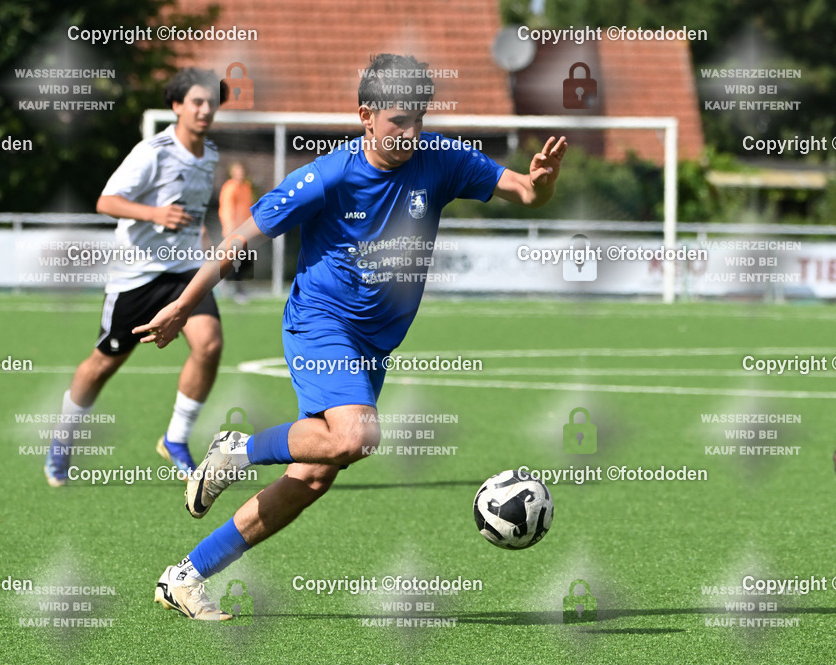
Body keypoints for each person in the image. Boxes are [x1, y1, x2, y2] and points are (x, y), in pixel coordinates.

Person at [138, 53, 568, 619]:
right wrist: (182, 305)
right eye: (397, 121)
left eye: (418, 118)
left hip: (372, 347)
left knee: (313, 477)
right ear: (365, 115)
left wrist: (541, 180)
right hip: (320, 324)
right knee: (356, 437)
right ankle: (239, 450)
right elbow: (240, 238)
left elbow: (525, 192)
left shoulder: (439, 159)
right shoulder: (329, 176)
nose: (410, 132)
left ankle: (184, 576)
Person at [44, 68, 226, 486]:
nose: (205, 110)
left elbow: (193, 211)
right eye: (196, 101)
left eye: (211, 102)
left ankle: (175, 439)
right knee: (104, 364)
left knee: (210, 344)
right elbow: (106, 201)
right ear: (177, 106)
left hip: (183, 273)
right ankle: (63, 440)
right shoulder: (153, 151)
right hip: (137, 278)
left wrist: (203, 243)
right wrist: (154, 213)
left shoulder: (210, 154)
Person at [217, 162, 256, 301]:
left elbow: (250, 206)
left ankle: (226, 281)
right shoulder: (230, 187)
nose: (240, 173)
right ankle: (237, 290)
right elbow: (227, 209)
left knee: (246, 260)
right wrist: (230, 228)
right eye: (237, 171)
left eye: (241, 171)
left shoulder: (246, 186)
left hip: (245, 229)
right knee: (236, 259)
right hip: (234, 230)